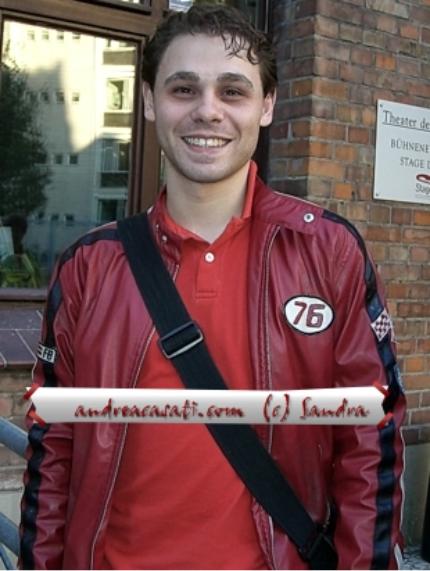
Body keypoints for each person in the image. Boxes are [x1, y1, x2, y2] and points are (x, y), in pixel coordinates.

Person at [20, 4, 405, 570]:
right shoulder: (89, 266)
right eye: (183, 89)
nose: (207, 110)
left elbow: (369, 440)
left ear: (266, 105)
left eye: (232, 91)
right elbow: (53, 446)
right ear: (149, 100)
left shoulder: (329, 252)